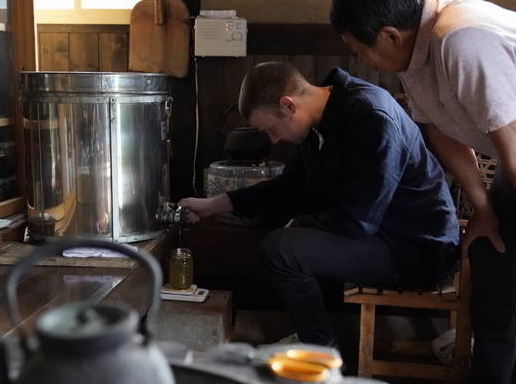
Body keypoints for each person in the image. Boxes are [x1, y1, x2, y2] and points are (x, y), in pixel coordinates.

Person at [330, 0, 516, 384]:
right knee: (492, 257)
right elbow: (440, 130)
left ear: (389, 34)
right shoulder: (417, 51)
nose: (363, 61)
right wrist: (483, 209)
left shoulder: (462, 40)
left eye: (360, 49)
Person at [178, 61, 460, 349]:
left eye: (271, 129)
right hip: (381, 235)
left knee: (282, 248)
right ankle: (315, 342)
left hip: (417, 249)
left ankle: (319, 353)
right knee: (282, 235)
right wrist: (215, 204)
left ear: (288, 105)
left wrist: (300, 223)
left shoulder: (371, 117)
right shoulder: (318, 124)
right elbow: (289, 187)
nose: (274, 140)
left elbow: (359, 220)